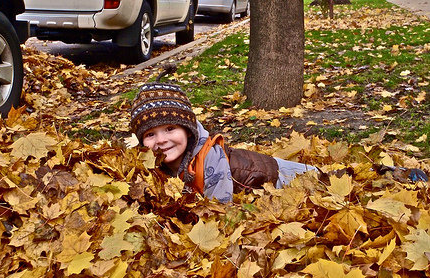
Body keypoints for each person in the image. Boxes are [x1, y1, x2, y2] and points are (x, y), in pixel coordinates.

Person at [130, 80, 428, 203]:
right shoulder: (167, 161)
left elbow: (219, 208)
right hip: (267, 176)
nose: (162, 140)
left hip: (281, 176)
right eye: (150, 135)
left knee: (336, 185)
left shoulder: (210, 159)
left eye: (170, 129)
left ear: (188, 129)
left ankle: (393, 177)